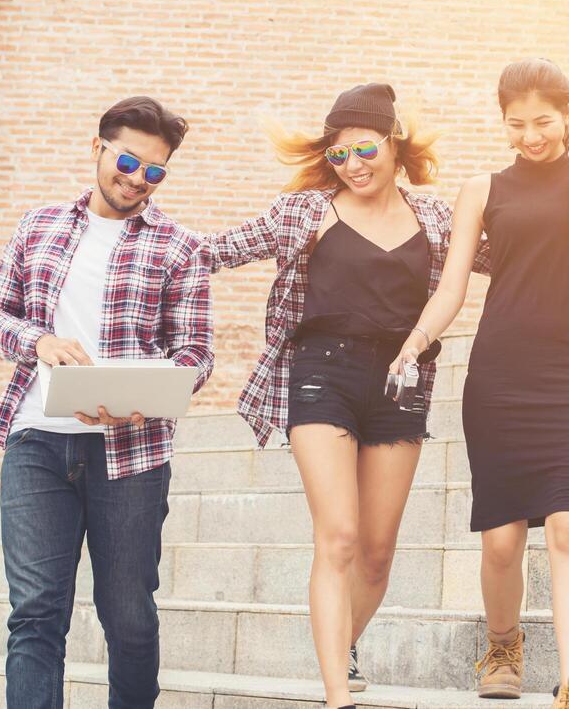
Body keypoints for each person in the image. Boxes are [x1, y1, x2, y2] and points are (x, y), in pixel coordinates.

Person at [389, 60, 569, 709]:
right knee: (500, 540)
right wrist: (414, 341)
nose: (530, 136)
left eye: (543, 122)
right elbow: (453, 285)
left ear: (568, 116)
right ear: (502, 123)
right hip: (500, 376)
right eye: (516, 124)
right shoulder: (481, 189)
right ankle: (503, 644)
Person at [207, 83, 457, 709]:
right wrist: (136, 234)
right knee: (339, 536)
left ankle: (343, 644)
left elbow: (511, 259)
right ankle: (336, 697)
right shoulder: (306, 211)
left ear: (392, 143)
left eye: (365, 149)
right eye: (340, 155)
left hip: (402, 383)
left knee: (375, 555)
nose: (354, 165)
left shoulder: (436, 218)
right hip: (321, 373)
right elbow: (220, 249)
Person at [0, 95, 214, 709]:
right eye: (128, 162)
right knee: (35, 613)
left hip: (130, 456)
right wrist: (39, 341)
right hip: (36, 442)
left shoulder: (180, 248)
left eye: (154, 172)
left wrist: (141, 399)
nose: (137, 180)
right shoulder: (39, 226)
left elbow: (196, 355)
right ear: (99, 148)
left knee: (129, 615)